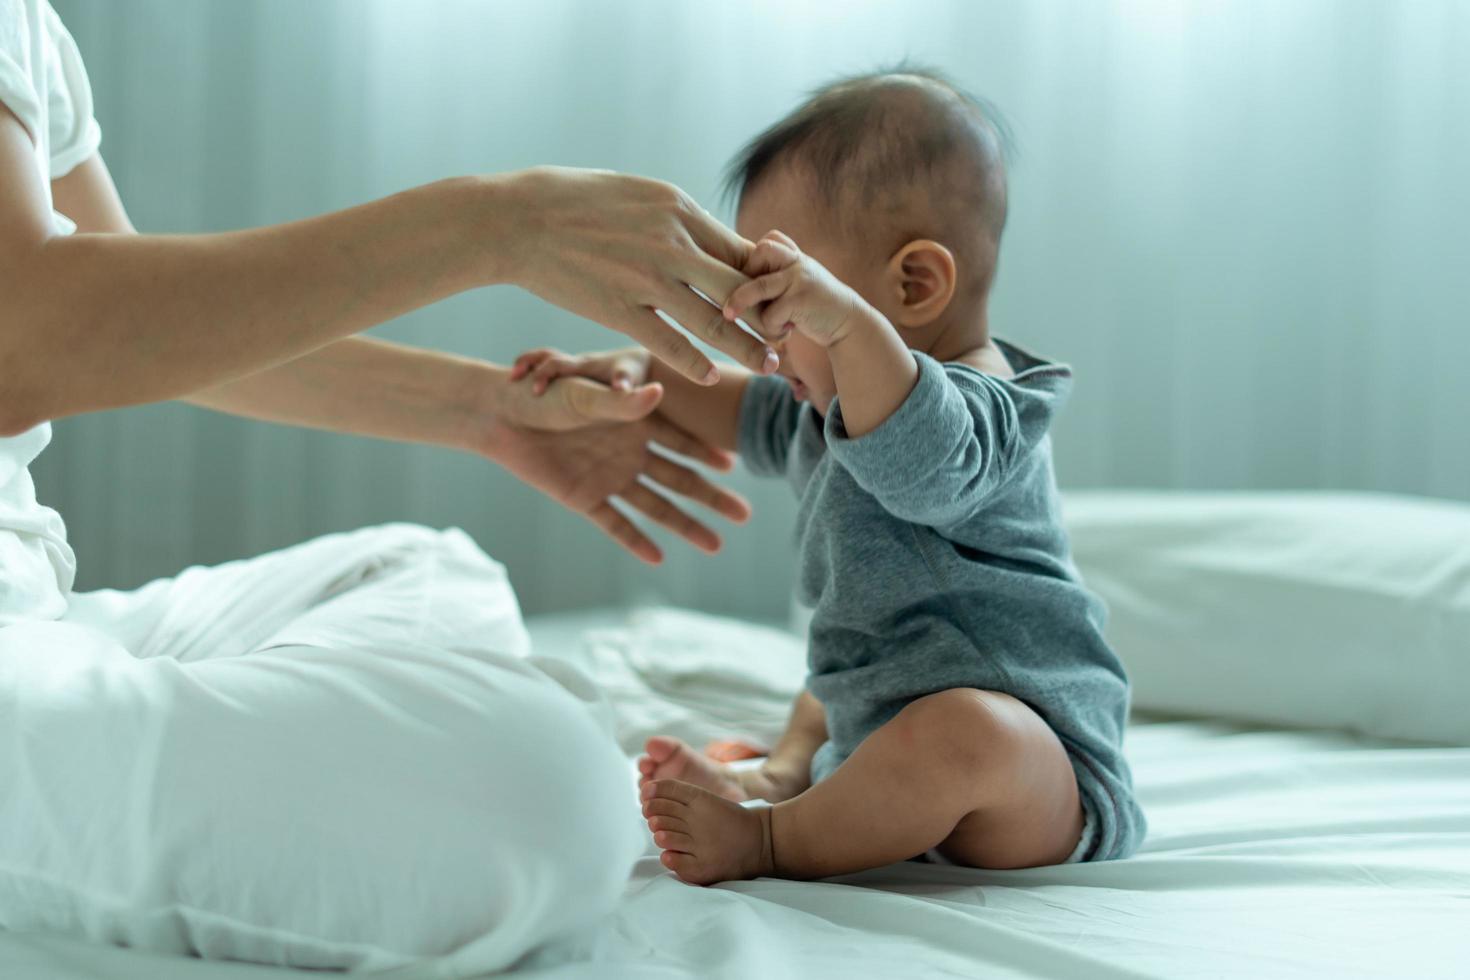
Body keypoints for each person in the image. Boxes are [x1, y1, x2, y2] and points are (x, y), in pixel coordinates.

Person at [0, 0, 782, 972]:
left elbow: (140, 332)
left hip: (38, 616)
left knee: (427, 571)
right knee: (549, 791)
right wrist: (500, 224)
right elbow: (29, 337)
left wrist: (490, 410)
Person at [513, 68, 1147, 885]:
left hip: (1035, 773)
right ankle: (786, 775)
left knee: (966, 733)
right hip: (876, 728)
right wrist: (631, 377)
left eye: (785, 308)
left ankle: (773, 836)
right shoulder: (825, 407)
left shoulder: (991, 415)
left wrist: (845, 326)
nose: (765, 346)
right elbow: (735, 407)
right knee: (827, 679)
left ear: (912, 286)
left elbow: (923, 467)